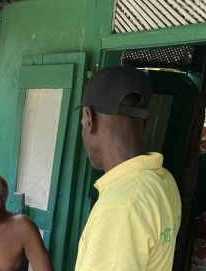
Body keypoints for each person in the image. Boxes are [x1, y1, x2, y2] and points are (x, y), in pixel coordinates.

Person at [74, 66, 182, 270]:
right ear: (144, 124)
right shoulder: (163, 180)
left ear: (89, 119)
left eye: (82, 123)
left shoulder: (121, 206)